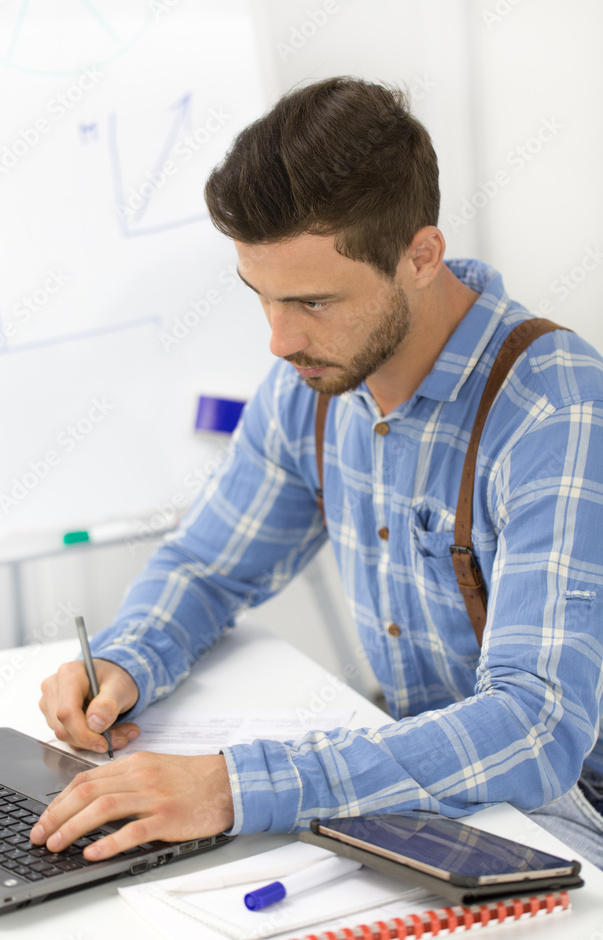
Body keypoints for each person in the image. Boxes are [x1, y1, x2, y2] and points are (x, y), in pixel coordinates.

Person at [31, 77, 603, 868]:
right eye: (261, 297)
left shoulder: (557, 412)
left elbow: (535, 728)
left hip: (569, 811)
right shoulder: (316, 383)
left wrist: (233, 786)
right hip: (428, 794)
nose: (278, 340)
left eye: (312, 302)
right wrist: (126, 658)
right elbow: (209, 567)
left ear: (420, 257)